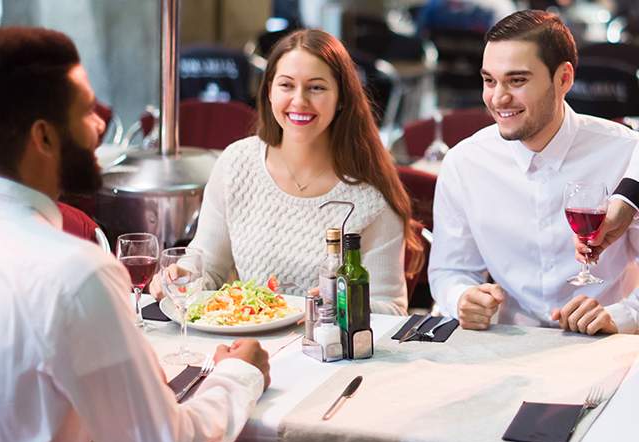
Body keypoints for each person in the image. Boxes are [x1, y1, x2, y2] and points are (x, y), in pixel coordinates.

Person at [0, 27, 271, 442]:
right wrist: (239, 376)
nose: (100, 125)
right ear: (44, 137)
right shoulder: (76, 273)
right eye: (86, 111)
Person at [150, 29, 423, 316]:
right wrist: (181, 276)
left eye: (316, 88)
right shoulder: (236, 163)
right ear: (268, 91)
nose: (299, 101)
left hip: (331, 353)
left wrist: (340, 305)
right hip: (247, 345)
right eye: (286, 85)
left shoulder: (371, 194)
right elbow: (208, 266)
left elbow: (391, 309)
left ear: (341, 97)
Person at [428, 9, 639, 335]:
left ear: (564, 79)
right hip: (506, 348)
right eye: (489, 80)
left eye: (517, 80)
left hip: (606, 348)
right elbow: (450, 269)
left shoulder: (626, 154)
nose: (498, 98)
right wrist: (461, 298)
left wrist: (620, 316)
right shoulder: (464, 163)